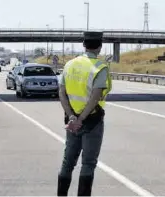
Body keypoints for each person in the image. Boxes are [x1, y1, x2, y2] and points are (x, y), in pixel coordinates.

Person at [57, 31, 112, 196]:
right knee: (88, 164)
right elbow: (96, 96)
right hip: (92, 121)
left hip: (72, 120)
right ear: (100, 47)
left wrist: (72, 116)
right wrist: (81, 119)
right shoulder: (100, 67)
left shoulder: (69, 65)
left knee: (68, 162)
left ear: (83, 44)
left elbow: (61, 92)